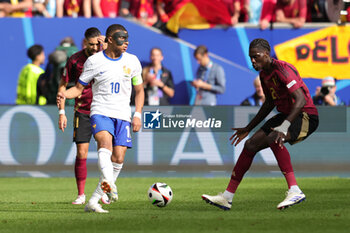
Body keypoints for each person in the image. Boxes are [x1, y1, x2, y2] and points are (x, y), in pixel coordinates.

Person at [202, 38, 319, 210]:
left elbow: (300, 100)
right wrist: (248, 128)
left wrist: (285, 125)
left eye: (256, 56)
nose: (253, 61)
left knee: (274, 138)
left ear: (266, 54)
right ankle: (227, 197)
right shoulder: (264, 74)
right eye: (251, 57)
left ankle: (295, 190)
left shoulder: (283, 70)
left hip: (305, 115)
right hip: (287, 114)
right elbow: (269, 103)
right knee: (250, 145)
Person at [57, 24, 144, 213]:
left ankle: (94, 200)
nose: (126, 42)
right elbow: (78, 88)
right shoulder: (94, 62)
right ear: (110, 40)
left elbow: (139, 90)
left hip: (123, 114)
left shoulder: (133, 61)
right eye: (121, 38)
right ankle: (104, 186)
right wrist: (64, 95)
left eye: (127, 38)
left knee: (118, 158)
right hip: (100, 110)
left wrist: (137, 114)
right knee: (104, 145)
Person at [57, 27, 109, 205]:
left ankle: (104, 192)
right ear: (85, 42)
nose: (95, 48)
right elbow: (63, 85)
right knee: (81, 153)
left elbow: (124, 58)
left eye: (98, 44)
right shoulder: (75, 60)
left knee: (105, 153)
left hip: (104, 110)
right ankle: (81, 195)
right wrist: (62, 112)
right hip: (83, 111)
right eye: (91, 44)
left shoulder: (108, 56)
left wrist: (108, 44)